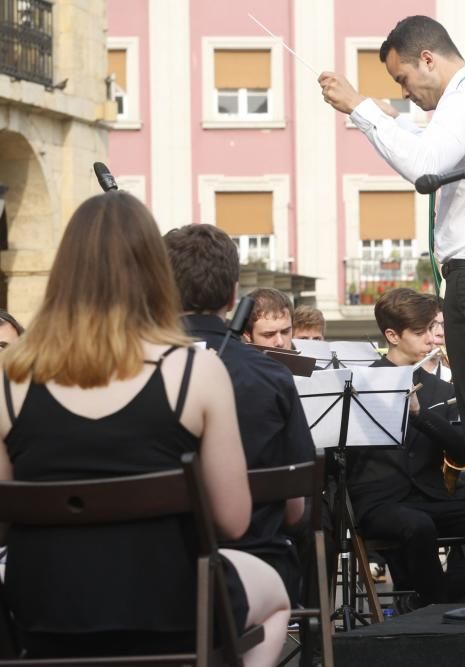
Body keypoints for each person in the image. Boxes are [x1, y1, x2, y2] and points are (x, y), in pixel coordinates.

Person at [319, 15, 465, 622]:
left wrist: (361, 108)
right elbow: (425, 138)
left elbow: (425, 167)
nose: (404, 91)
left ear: (427, 59)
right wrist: (377, 114)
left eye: (403, 77)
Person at [0, 192, 289, 665]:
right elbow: (234, 520)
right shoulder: (195, 371)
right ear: (156, 274)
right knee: (275, 598)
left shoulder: (9, 378)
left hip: (44, 612)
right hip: (173, 609)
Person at [164, 223, 316, 604]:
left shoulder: (131, 368)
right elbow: (294, 509)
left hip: (152, 570)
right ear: (234, 297)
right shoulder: (272, 375)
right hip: (251, 559)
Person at [350, 288, 465, 610]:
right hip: (379, 502)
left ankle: (442, 597)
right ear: (392, 335)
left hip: (431, 496)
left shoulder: (441, 388)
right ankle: (436, 605)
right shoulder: (358, 384)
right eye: (420, 332)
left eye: (432, 329)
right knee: (416, 526)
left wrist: (420, 416)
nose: (432, 339)